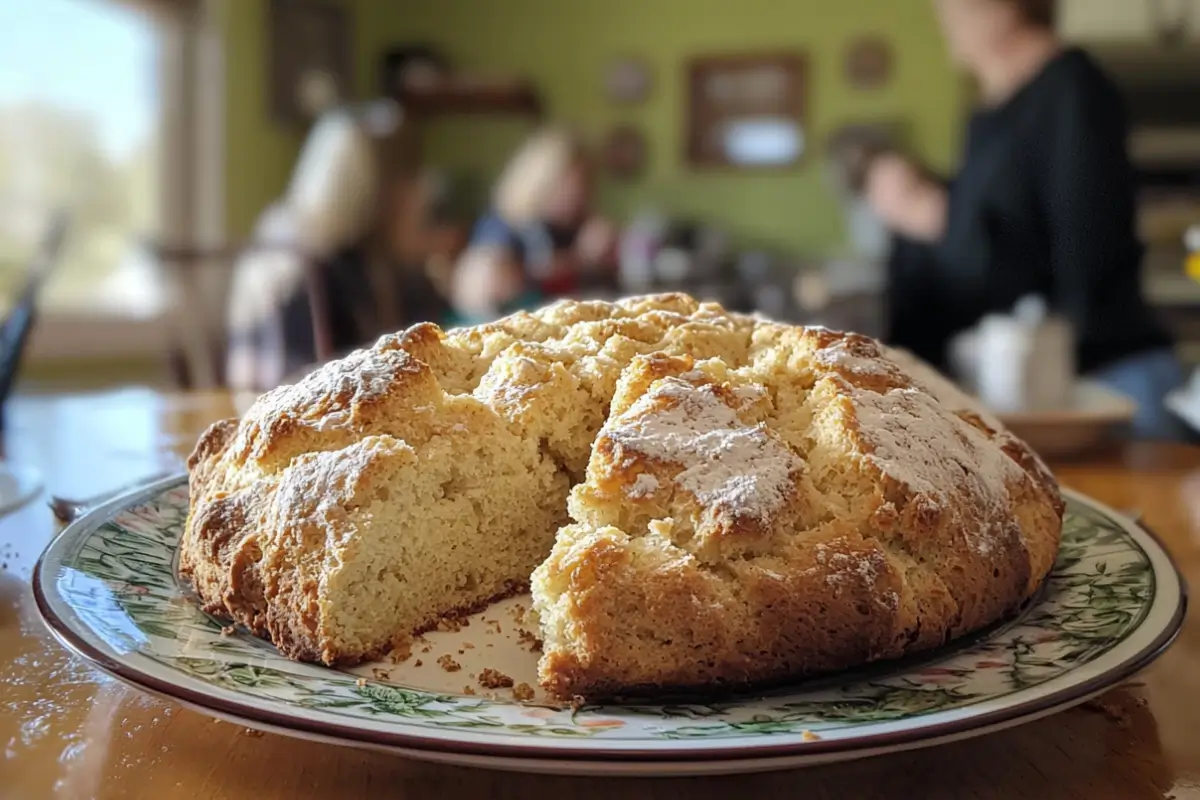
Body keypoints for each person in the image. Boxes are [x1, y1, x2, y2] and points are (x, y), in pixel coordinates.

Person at [866, 0, 1186, 440]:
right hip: (1042, 391)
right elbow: (993, 231)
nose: (942, 17)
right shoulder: (988, 116)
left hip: (1103, 391)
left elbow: (1082, 262)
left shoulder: (1072, 92)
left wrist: (940, 220)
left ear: (1004, 9)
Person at [450, 127, 617, 322]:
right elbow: (485, 286)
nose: (575, 195)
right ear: (540, 180)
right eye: (566, 184)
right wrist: (581, 258)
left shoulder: (577, 227)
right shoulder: (504, 224)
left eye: (583, 184)